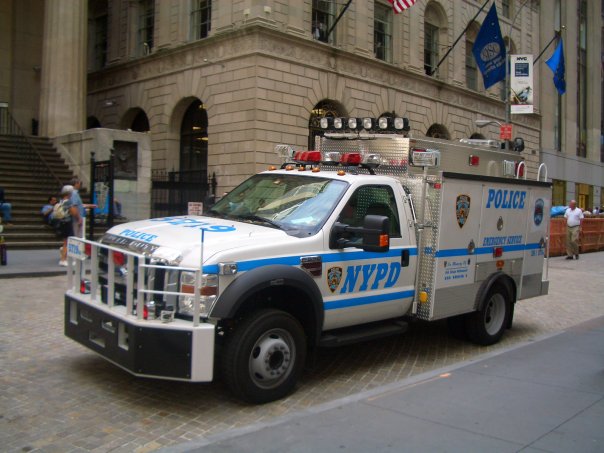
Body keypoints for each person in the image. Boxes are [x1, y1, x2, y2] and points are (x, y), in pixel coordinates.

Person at [56, 185, 75, 266]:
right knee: (67, 242)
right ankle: (63, 259)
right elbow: (73, 212)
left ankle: (64, 254)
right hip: (67, 223)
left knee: (65, 241)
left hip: (61, 223)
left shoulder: (61, 201)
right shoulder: (68, 202)